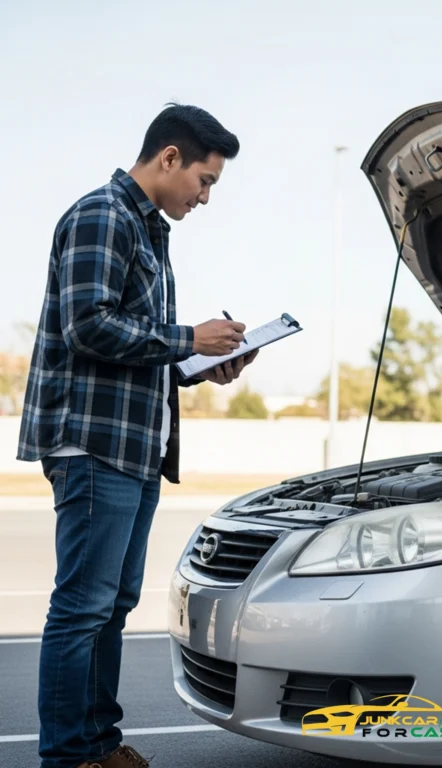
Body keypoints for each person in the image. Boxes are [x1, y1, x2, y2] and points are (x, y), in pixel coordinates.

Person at [17, 103, 257, 768]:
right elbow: (88, 325)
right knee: (83, 606)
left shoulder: (151, 232)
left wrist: (202, 365)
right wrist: (187, 337)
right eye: (205, 181)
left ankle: (98, 741)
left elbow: (135, 347)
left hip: (134, 446)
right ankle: (68, 756)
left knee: (112, 605)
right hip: (93, 444)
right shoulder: (102, 215)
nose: (205, 198)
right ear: (170, 158)